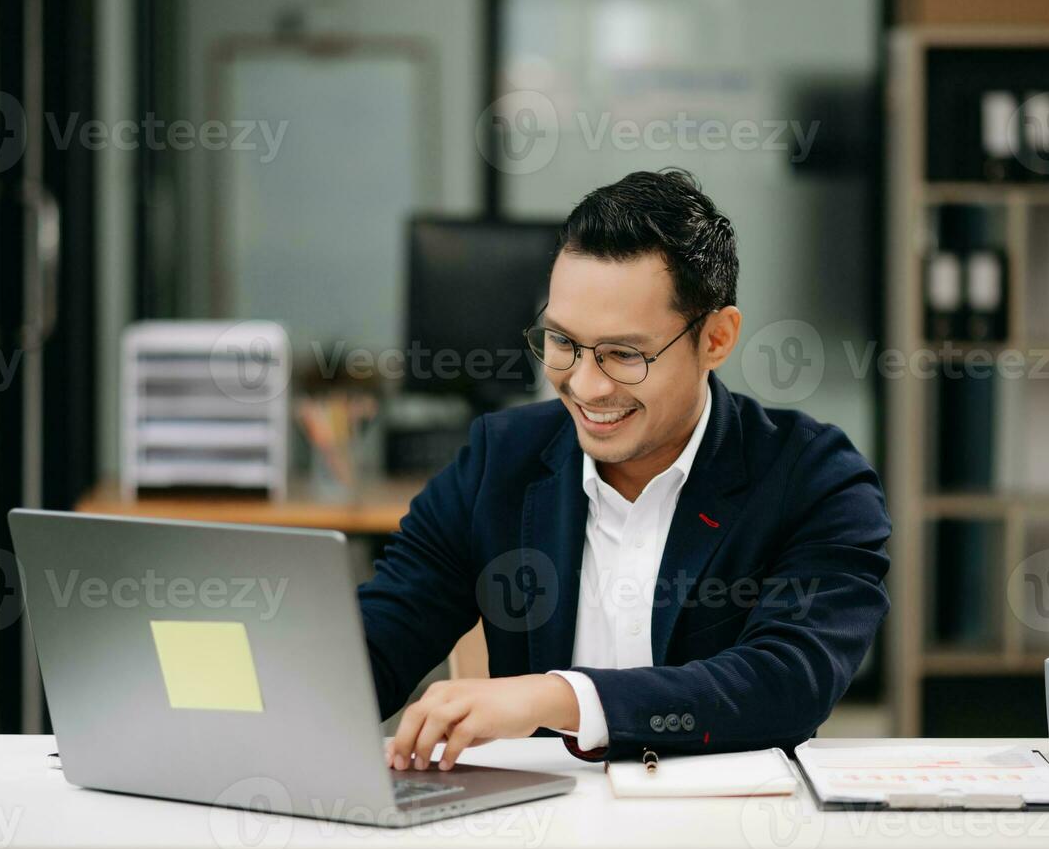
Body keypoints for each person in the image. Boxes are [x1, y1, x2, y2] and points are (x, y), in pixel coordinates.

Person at [362, 168, 890, 770]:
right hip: (542, 835)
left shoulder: (814, 478)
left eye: (623, 354)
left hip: (732, 840)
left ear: (716, 338)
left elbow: (786, 683)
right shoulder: (499, 460)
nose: (585, 386)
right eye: (562, 343)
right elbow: (380, 639)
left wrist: (560, 697)